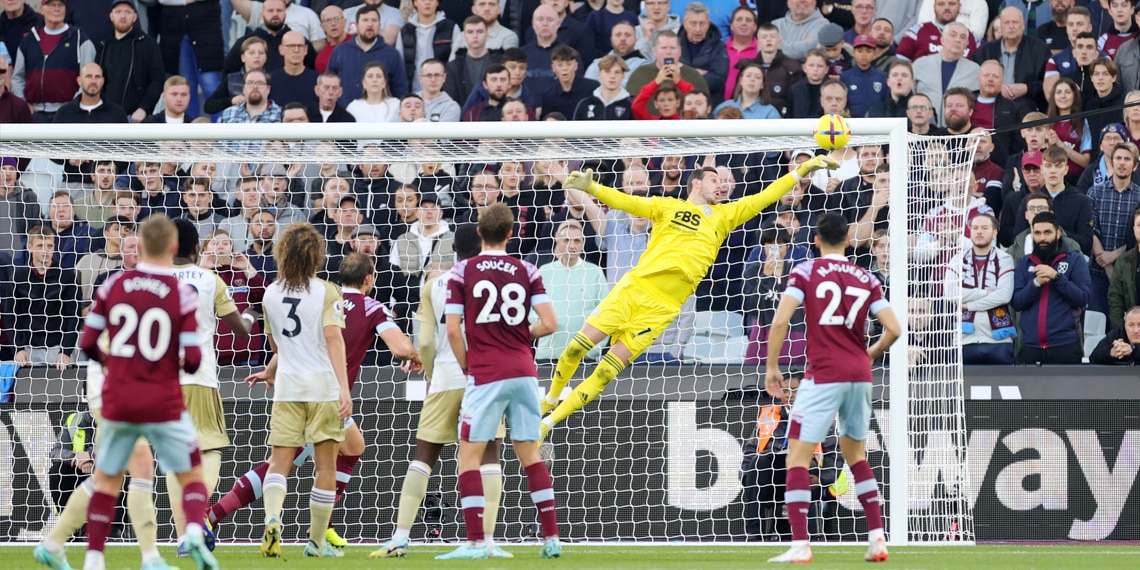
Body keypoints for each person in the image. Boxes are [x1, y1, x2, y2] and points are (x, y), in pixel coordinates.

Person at [539, 155, 839, 439]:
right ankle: (550, 399)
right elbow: (628, 201)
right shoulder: (667, 206)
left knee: (605, 372)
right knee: (575, 349)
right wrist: (592, 187)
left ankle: (549, 423)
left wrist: (802, 170)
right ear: (696, 183)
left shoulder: (724, 215)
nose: (721, 185)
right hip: (632, 290)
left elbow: (767, 195)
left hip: (661, 309)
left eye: (723, 181)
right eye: (714, 179)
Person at [210, 251, 421, 551]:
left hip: (292, 387)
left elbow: (288, 342)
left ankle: (323, 525)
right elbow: (399, 346)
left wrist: (271, 370)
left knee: (348, 448)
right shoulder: (370, 306)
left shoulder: (313, 295)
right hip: (326, 393)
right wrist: (415, 355)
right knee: (292, 465)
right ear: (369, 279)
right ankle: (310, 533)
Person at [73, 215, 217, 570]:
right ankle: (193, 534)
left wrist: (115, 366)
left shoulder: (112, 287)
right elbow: (195, 358)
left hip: (121, 397)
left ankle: (94, 557)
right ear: (172, 248)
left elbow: (87, 342)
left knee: (107, 478)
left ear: (137, 248)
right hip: (162, 399)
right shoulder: (181, 295)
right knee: (191, 471)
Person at [764, 212, 899, 564]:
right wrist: (867, 356)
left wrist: (773, 366)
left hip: (822, 375)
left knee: (797, 457)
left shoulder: (806, 271)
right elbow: (894, 329)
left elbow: (780, 320)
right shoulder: (867, 277)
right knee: (856, 456)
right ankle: (877, 539)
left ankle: (800, 545)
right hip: (859, 375)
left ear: (817, 241)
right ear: (849, 241)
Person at [372, 225, 514, 559]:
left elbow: (423, 342)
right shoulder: (497, 282)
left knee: (424, 458)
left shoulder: (435, 284)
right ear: (483, 244)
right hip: (485, 379)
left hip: (446, 377)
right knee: (489, 457)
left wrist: (433, 373)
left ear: (453, 249)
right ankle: (487, 540)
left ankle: (400, 537)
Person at [435, 202, 561, 560]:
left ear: (479, 232)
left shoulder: (462, 272)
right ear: (511, 232)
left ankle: (477, 541)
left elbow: (453, 330)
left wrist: (467, 366)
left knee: (469, 456)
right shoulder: (528, 269)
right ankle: (551, 538)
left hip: (486, 373)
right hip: (523, 372)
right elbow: (550, 324)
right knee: (530, 455)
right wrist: (523, 335)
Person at [244, 222, 351, 559]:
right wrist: (344, 389)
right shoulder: (327, 291)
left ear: (283, 254)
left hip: (287, 387)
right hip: (322, 388)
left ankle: (273, 518)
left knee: (279, 463)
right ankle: (317, 543)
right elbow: (333, 339)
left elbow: (277, 345)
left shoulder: (270, 293)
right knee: (326, 468)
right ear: (316, 256)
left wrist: (269, 372)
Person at [168, 219, 252, 555]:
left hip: (159, 382)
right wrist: (250, 316)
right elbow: (240, 330)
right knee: (210, 448)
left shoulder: (150, 281)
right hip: (198, 376)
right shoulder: (209, 279)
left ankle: (183, 534)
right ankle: (197, 517)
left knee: (175, 459)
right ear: (196, 249)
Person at [1011, 211, 1091, 364]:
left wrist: (1057, 277)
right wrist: (1035, 283)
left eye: (1047, 232)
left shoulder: (1074, 259)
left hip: (1065, 346)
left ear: (1058, 233)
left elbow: (1082, 298)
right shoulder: (1024, 262)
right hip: (1030, 346)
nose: (1042, 238)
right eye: (1038, 233)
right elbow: (1017, 303)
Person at [942, 214, 1017, 364]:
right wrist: (985, 293)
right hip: (964, 339)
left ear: (995, 232)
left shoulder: (1005, 259)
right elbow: (950, 293)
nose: (979, 232)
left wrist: (969, 305)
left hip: (998, 340)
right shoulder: (957, 260)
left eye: (985, 228)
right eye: (975, 228)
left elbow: (1003, 296)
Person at [1088, 142, 1140, 314]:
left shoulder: (1139, 196)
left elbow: (1137, 236)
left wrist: (1113, 256)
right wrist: (1106, 262)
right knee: (1097, 325)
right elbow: (1090, 228)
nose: (1122, 163)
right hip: (1097, 272)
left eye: (1127, 159)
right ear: (1112, 161)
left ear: (1135, 166)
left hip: (1129, 274)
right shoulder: (1095, 193)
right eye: (1118, 158)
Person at [96, 0, 164, 124]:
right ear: (111, 16)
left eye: (127, 12)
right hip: (107, 118)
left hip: (135, 119)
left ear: (135, 17)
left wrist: (143, 108)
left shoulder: (148, 44)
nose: (123, 16)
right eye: (118, 12)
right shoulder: (104, 45)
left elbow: (157, 80)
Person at [1108, 206, 1140, 329]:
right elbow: (1115, 298)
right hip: (1132, 331)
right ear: (1134, 229)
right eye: (1139, 225)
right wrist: (1119, 330)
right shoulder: (1124, 261)